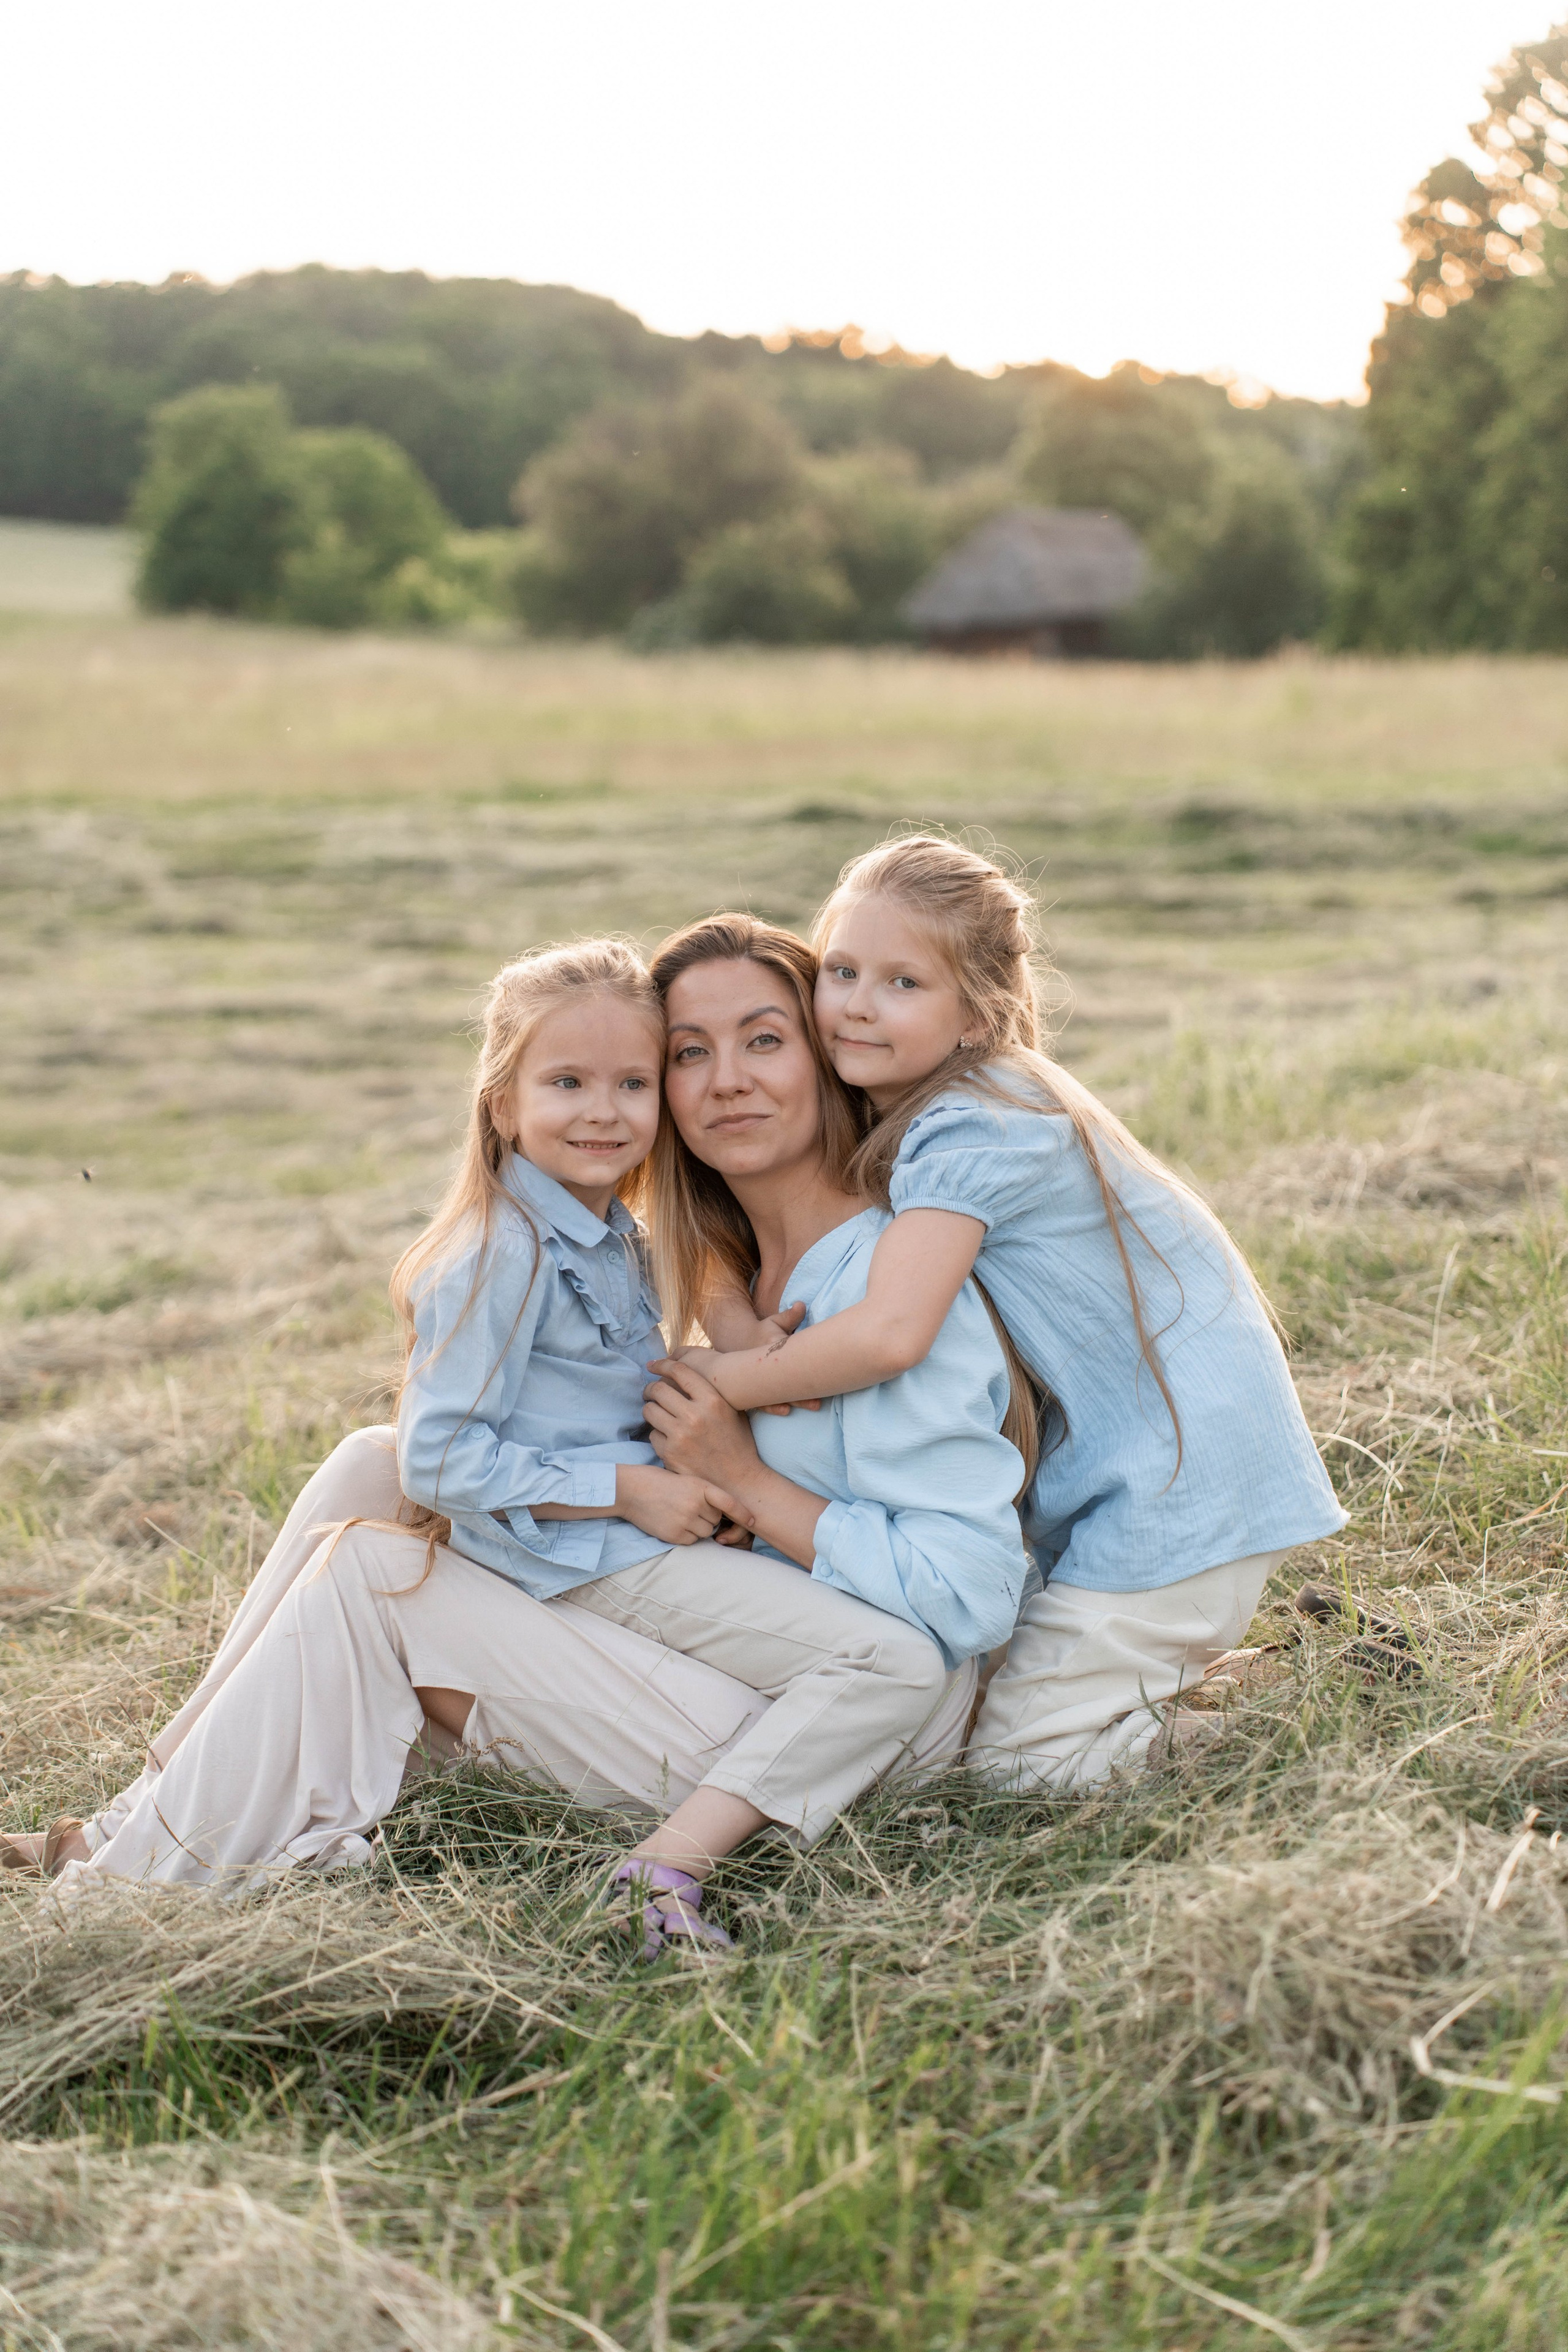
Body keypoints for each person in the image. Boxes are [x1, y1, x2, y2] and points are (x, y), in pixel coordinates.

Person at [6, 923, 1020, 1949]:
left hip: (825, 1710)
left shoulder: (874, 1281)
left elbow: (953, 1590)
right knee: (373, 1461)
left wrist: (740, 1459)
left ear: (821, 1060)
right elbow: (479, 1441)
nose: (718, 1084)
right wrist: (679, 1462)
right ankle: (137, 1824)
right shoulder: (570, 1246)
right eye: (689, 1055)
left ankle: (139, 1857)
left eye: (761, 1042)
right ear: (506, 1103)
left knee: (371, 1566)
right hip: (648, 1588)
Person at [688, 835, 1347, 1790]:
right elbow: (710, 1214)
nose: (858, 1004)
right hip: (1144, 1460)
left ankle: (1270, 1724)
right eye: (842, 970)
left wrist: (730, 1378)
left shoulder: (971, 1125)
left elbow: (891, 1333)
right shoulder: (943, 1094)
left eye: (903, 982)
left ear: (975, 1016)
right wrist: (729, 1315)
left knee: (1018, 1763)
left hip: (1177, 1478)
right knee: (1018, 1688)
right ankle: (1235, 1676)